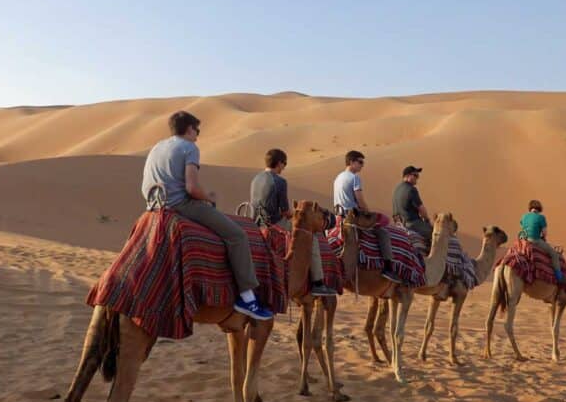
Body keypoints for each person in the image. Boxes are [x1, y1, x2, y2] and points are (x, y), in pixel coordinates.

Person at [141, 110, 273, 321]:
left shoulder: (158, 146)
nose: (198, 134)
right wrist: (208, 199)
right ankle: (248, 298)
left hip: (153, 205)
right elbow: (192, 187)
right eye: (197, 130)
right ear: (189, 128)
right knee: (237, 235)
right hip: (179, 205)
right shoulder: (189, 148)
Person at [250, 148, 337, 296]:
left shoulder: (256, 178)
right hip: (275, 223)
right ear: (279, 163)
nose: (284, 168)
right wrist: (294, 215)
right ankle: (318, 282)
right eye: (284, 164)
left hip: (255, 223)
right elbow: (285, 211)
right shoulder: (280, 181)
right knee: (312, 238)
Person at [333, 150, 401, 283]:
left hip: (338, 217)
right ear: (351, 162)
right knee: (383, 231)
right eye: (360, 162)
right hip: (353, 218)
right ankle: (387, 267)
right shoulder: (354, 178)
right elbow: (360, 199)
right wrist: (368, 212)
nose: (362, 165)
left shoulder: (338, 177)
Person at [519, 199, 565, 284]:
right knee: (554, 254)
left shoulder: (524, 216)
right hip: (535, 240)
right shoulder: (541, 217)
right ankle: (559, 277)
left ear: (530, 208)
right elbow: (544, 232)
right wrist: (543, 237)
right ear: (539, 209)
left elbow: (523, 228)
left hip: (524, 240)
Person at [392, 165, 433, 249]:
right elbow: (422, 210)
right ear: (407, 176)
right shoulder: (411, 189)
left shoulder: (396, 189)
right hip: (412, 224)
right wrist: (427, 220)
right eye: (415, 175)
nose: (417, 178)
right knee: (435, 234)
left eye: (417, 176)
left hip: (398, 224)